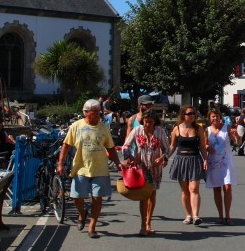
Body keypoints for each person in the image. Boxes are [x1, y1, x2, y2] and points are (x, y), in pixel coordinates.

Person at [57, 99, 123, 239]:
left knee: (97, 198)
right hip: (81, 168)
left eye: (99, 112)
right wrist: (60, 163)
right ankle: (82, 213)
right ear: (86, 113)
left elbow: (110, 148)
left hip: (100, 169)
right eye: (95, 112)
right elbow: (66, 145)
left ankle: (92, 227)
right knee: (77, 197)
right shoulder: (76, 126)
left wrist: (118, 163)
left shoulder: (103, 128)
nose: (98, 115)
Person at [122, 111, 168, 235]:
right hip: (141, 168)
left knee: (152, 195)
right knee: (143, 196)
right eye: (146, 121)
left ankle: (148, 222)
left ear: (155, 122)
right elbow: (125, 146)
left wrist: (162, 158)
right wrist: (131, 158)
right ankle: (143, 225)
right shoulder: (137, 131)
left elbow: (167, 149)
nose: (148, 124)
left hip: (155, 168)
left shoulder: (160, 132)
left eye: (151, 122)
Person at [167, 106, 208, 224]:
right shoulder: (177, 129)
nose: (192, 115)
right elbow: (172, 146)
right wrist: (165, 158)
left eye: (194, 113)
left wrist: (206, 159)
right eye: (189, 113)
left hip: (194, 159)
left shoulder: (198, 128)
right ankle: (188, 215)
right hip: (181, 160)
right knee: (185, 191)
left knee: (194, 188)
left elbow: (202, 146)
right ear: (183, 115)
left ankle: (196, 216)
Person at [205, 110, 240, 225]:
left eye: (217, 116)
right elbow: (204, 144)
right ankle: (220, 216)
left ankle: (228, 216)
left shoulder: (227, 127)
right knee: (216, 188)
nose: (215, 118)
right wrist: (206, 147)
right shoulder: (207, 130)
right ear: (210, 118)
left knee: (227, 187)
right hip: (213, 162)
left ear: (220, 117)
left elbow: (238, 142)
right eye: (213, 116)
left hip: (226, 161)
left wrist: (236, 135)